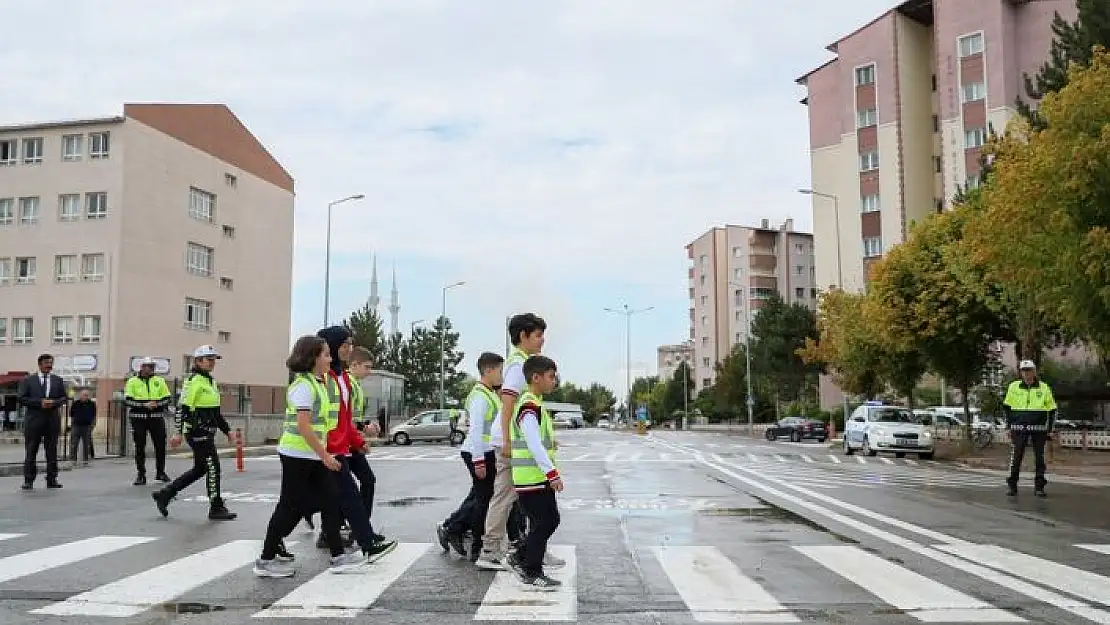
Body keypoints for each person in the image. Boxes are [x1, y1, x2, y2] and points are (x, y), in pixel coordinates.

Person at [254, 336, 369, 577]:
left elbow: (324, 422)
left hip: (312, 454)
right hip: (297, 454)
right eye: (326, 355)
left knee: (330, 500)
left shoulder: (318, 383)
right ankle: (265, 560)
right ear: (313, 358)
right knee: (288, 506)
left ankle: (337, 556)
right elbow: (304, 426)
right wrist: (325, 455)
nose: (330, 359)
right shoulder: (304, 386)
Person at [477, 313, 551, 570]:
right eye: (538, 335)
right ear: (523, 336)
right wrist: (507, 439)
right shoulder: (519, 365)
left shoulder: (524, 363)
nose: (542, 341)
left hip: (515, 439)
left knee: (529, 496)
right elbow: (508, 400)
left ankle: (532, 546)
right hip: (510, 441)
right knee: (505, 495)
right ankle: (490, 550)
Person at [315, 326, 396, 560]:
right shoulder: (322, 378)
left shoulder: (342, 379)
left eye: (350, 344)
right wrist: (327, 449)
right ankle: (362, 540)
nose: (348, 349)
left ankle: (362, 540)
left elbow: (345, 418)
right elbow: (317, 418)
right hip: (321, 449)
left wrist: (357, 441)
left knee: (343, 496)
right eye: (344, 345)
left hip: (338, 447)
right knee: (302, 502)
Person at [152, 345, 239, 520]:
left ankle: (166, 493)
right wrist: (177, 432)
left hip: (209, 431)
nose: (212, 363)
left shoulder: (210, 381)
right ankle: (216, 507)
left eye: (214, 359)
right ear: (198, 361)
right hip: (197, 432)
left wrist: (227, 430)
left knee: (200, 469)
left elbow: (215, 412)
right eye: (209, 359)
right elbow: (182, 409)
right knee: (213, 467)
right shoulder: (193, 381)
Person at [437, 352, 504, 560]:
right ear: (488, 371)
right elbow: (475, 431)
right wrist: (479, 460)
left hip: (485, 451)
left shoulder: (489, 393)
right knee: (484, 500)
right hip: (479, 451)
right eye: (500, 371)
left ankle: (453, 528)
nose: (502, 376)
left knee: (480, 496)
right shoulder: (480, 397)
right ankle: (474, 544)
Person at [506, 355, 563, 590]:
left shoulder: (535, 403)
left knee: (550, 520)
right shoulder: (529, 406)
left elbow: (540, 441)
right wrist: (552, 473)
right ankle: (532, 570)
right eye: (551, 376)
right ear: (536, 378)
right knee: (543, 522)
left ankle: (521, 556)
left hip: (536, 477)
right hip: (532, 478)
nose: (554, 381)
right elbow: (533, 443)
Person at [346, 345, 392, 549]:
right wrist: (364, 429)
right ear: (353, 364)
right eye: (366, 367)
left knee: (364, 482)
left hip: (351, 440)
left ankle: (361, 529)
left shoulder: (354, 384)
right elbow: (343, 418)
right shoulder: (346, 383)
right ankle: (358, 529)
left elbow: (351, 417)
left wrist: (363, 428)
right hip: (344, 443)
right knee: (350, 487)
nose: (369, 371)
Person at [1003, 359, 1057, 497]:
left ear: (1034, 371)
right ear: (1021, 372)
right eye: (1024, 371)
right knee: (1016, 457)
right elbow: (1007, 408)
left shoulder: (1044, 387)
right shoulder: (1013, 387)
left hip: (1039, 428)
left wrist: (1050, 429)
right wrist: (1008, 426)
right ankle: (1012, 485)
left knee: (1040, 458)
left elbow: (1052, 410)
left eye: (1029, 370)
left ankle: (1039, 487)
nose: (1027, 374)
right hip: (1018, 427)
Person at [18, 354, 69, 490]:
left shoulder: (57, 380)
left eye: (51, 363)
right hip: (34, 421)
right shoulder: (28, 380)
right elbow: (22, 398)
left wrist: (53, 403)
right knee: (31, 450)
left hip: (52, 421)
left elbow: (64, 397)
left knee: (51, 451)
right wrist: (40, 403)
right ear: (40, 364)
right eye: (47, 363)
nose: (49, 366)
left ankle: (52, 479)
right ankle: (28, 480)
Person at [124, 358, 173, 485]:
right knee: (140, 447)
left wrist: (156, 404)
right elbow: (128, 400)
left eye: (152, 366)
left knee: (160, 446)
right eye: (148, 366)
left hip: (156, 418)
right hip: (138, 418)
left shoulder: (159, 381)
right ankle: (141, 474)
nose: (151, 369)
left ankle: (160, 472)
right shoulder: (132, 381)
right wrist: (144, 405)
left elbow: (167, 399)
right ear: (142, 367)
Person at [69, 388, 97, 465]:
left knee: (86, 444)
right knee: (74, 443)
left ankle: (85, 459)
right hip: (76, 425)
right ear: (80, 395)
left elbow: (94, 415)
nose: (86, 396)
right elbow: (71, 413)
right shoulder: (76, 403)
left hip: (87, 426)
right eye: (84, 395)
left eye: (87, 395)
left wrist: (92, 425)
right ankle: (73, 459)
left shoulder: (92, 404)